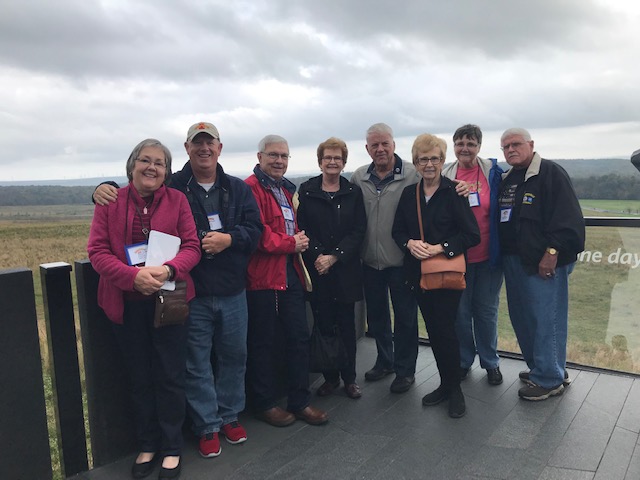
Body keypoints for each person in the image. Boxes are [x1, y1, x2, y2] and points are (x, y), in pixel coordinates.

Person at [93, 122, 263, 459]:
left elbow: (254, 229)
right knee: (194, 363)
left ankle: (228, 417)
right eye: (197, 143)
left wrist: (230, 239)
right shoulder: (176, 185)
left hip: (228, 289)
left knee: (233, 357)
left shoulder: (236, 188)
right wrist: (101, 188)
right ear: (187, 148)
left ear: (219, 147)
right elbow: (134, 192)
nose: (204, 148)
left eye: (210, 143)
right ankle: (206, 425)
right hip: (186, 293)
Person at [88, 138, 201, 479]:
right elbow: (97, 251)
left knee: (170, 376)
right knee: (139, 378)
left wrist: (169, 270)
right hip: (126, 304)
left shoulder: (178, 200)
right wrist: (132, 278)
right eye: (145, 160)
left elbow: (192, 246)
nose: (152, 167)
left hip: (169, 303)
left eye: (159, 163)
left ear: (167, 171)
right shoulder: (110, 200)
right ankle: (148, 444)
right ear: (132, 164)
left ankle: (171, 448)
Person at [392, 133, 480, 418]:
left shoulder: (455, 192)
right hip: (418, 275)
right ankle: (445, 385)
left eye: (434, 159)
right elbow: (397, 231)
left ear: (443, 161)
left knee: (446, 331)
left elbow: (471, 235)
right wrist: (409, 243)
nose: (429, 164)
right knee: (433, 331)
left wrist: (440, 248)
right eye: (423, 160)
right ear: (416, 163)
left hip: (447, 275)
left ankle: (455, 391)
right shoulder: (409, 194)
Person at [245, 135, 329, 427]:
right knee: (263, 342)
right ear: (260, 157)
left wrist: (298, 241)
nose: (279, 161)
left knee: (298, 338)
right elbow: (256, 233)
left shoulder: (284, 189)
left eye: (284, 156)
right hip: (263, 277)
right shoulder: (249, 188)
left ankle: (299, 401)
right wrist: (291, 243)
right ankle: (264, 403)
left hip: (289, 272)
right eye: (273, 155)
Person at [498, 128, 585, 401]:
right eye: (505, 147)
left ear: (531, 144)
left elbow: (568, 218)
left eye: (516, 144)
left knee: (546, 319)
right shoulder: (509, 178)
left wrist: (552, 252)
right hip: (514, 260)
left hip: (543, 262)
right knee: (523, 319)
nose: (510, 150)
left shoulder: (550, 173)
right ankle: (545, 368)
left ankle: (549, 380)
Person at [350, 123, 420, 394]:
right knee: (377, 316)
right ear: (367, 149)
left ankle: (405, 370)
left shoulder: (412, 175)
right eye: (374, 145)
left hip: (402, 261)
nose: (380, 149)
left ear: (393, 145)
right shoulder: (359, 177)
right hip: (370, 261)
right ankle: (385, 361)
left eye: (384, 144)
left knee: (405, 318)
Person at [297, 137, 367, 399]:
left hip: (345, 270)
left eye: (338, 158)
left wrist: (335, 257)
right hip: (319, 271)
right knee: (324, 324)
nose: (333, 162)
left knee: (347, 326)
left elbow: (358, 230)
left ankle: (350, 378)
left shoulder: (352, 192)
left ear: (344, 162)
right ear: (320, 161)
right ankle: (330, 378)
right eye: (328, 157)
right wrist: (319, 256)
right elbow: (303, 228)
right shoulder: (307, 190)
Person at [442, 124, 505, 386]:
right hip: (457, 258)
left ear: (479, 146)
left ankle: (491, 362)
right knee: (460, 313)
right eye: (460, 143)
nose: (465, 148)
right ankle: (463, 361)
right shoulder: (445, 175)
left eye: (470, 143)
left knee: (486, 312)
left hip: (489, 257)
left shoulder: (493, 173)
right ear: (454, 146)